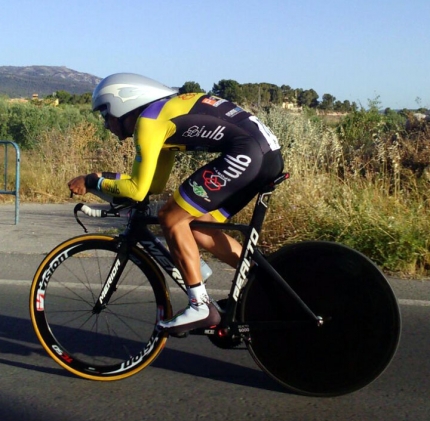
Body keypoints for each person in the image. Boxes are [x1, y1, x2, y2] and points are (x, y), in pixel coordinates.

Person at [68, 73, 284, 335]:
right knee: (200, 226)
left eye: (105, 114)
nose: (105, 124)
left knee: (170, 217)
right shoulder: (162, 116)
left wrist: (93, 179)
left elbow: (136, 190)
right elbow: (152, 185)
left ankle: (200, 305)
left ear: (122, 104)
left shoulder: (149, 122)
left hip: (248, 153)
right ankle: (266, 282)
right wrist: (101, 181)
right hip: (265, 155)